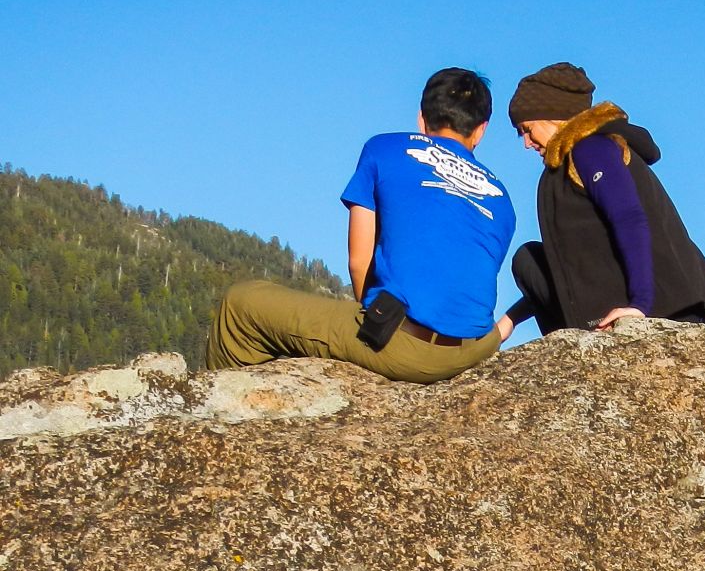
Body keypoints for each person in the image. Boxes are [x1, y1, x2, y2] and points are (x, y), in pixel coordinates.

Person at [208, 68, 516, 384]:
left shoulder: (384, 148)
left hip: (406, 346)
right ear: (481, 130)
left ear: (421, 119)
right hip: (475, 350)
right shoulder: (501, 197)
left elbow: (359, 262)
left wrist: (373, 322)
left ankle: (227, 413)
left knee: (241, 305)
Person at [497, 63, 705, 340]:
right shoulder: (565, 163)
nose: (527, 142)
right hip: (612, 308)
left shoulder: (591, 149)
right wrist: (508, 322)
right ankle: (573, 344)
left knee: (528, 258)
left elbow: (629, 218)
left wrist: (639, 307)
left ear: (554, 116)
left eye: (527, 129)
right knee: (529, 261)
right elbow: (564, 269)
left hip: (662, 306)